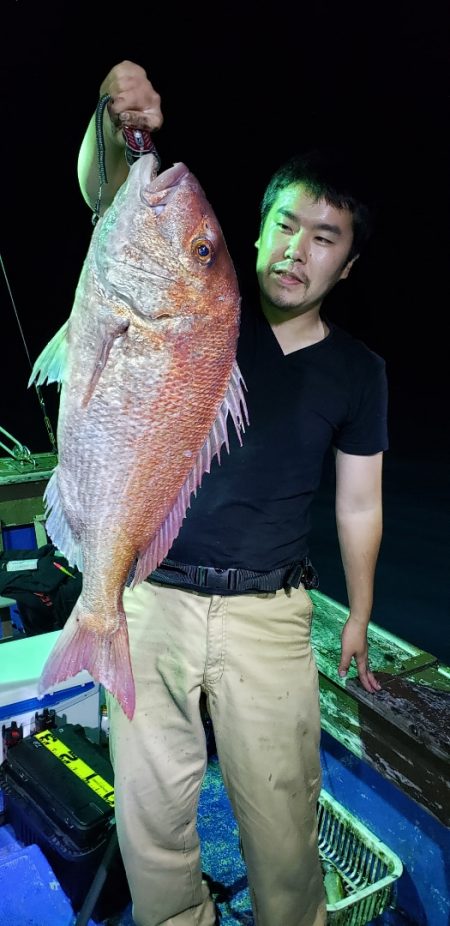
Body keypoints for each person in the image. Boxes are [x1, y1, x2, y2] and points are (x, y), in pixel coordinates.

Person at [77, 60, 387, 926]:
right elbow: (112, 196)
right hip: (152, 601)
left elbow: (358, 503)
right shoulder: (200, 312)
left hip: (270, 618)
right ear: (254, 233)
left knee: (284, 825)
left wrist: (359, 612)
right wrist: (117, 121)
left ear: (348, 264)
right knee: (152, 822)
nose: (297, 249)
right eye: (284, 224)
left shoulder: (360, 374)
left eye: (324, 237)